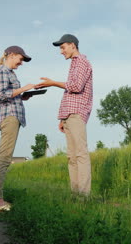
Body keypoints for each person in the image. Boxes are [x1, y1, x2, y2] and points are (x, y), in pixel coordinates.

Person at [36, 34, 93, 196]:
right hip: (68, 114)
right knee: (71, 156)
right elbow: (70, 92)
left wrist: (52, 83)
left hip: (77, 113)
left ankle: (84, 196)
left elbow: (75, 87)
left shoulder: (82, 62)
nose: (61, 51)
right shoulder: (74, 64)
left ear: (72, 45)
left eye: (63, 47)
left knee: (80, 154)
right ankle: (76, 194)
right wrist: (62, 118)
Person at [0, 45, 35, 211]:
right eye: (21, 59)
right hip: (9, 117)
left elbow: (9, 94)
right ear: (12, 55)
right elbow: (1, 95)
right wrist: (23, 88)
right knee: (4, 158)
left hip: (13, 116)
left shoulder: (10, 73)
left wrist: (23, 96)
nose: (21, 62)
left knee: (5, 157)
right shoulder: (3, 71)